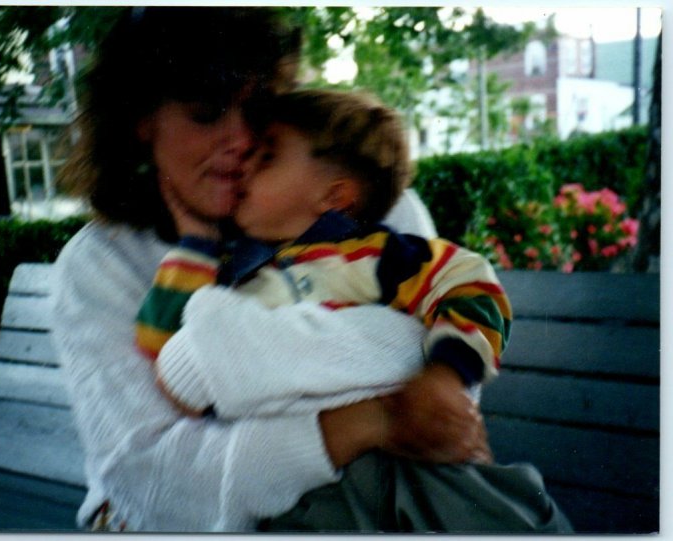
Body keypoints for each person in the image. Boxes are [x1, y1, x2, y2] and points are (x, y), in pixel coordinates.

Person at [51, 7, 491, 532]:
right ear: (143, 122)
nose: (240, 140)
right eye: (208, 112)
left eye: (258, 107)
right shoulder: (101, 263)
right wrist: (370, 419)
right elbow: (153, 484)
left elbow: (442, 409)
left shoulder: (369, 207)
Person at [136, 89, 511, 420]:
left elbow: (470, 283)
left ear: (333, 197)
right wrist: (197, 243)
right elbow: (160, 349)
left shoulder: (376, 256)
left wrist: (446, 374)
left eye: (267, 157)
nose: (244, 165)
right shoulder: (227, 269)